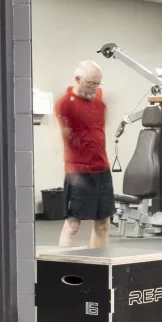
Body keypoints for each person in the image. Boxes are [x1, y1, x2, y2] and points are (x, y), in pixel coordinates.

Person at [56, 60, 114, 249]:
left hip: (102, 168)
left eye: (98, 83)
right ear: (77, 79)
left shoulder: (98, 97)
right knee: (72, 225)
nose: (95, 88)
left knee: (103, 224)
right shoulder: (65, 105)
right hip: (79, 171)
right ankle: (62, 268)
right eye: (91, 83)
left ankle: (100, 267)